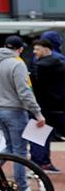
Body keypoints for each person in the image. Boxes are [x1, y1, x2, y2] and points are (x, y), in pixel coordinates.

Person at [0, 35, 47, 191]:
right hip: (16, 112)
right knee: (19, 152)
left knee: (9, 147)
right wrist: (38, 113)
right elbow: (24, 92)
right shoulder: (17, 64)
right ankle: (24, 190)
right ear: (19, 49)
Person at [30, 37, 65, 171]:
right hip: (57, 106)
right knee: (39, 135)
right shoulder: (59, 60)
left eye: (37, 49)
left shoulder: (38, 64)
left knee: (37, 136)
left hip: (42, 105)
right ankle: (41, 163)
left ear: (46, 49)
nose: (34, 52)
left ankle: (38, 164)